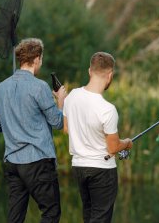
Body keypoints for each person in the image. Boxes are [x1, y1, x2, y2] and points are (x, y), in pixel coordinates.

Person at [0, 38, 67, 223]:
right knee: (51, 212)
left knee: (15, 217)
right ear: (37, 59)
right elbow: (57, 122)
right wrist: (61, 100)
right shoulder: (39, 87)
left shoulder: (1, 87)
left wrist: (11, 126)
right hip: (38, 160)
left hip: (13, 162)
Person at [63, 52, 133, 223]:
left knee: (88, 216)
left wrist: (60, 102)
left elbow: (66, 129)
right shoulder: (107, 109)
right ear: (110, 75)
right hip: (102, 170)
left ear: (89, 71)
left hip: (79, 167)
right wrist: (127, 143)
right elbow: (113, 148)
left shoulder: (72, 96)